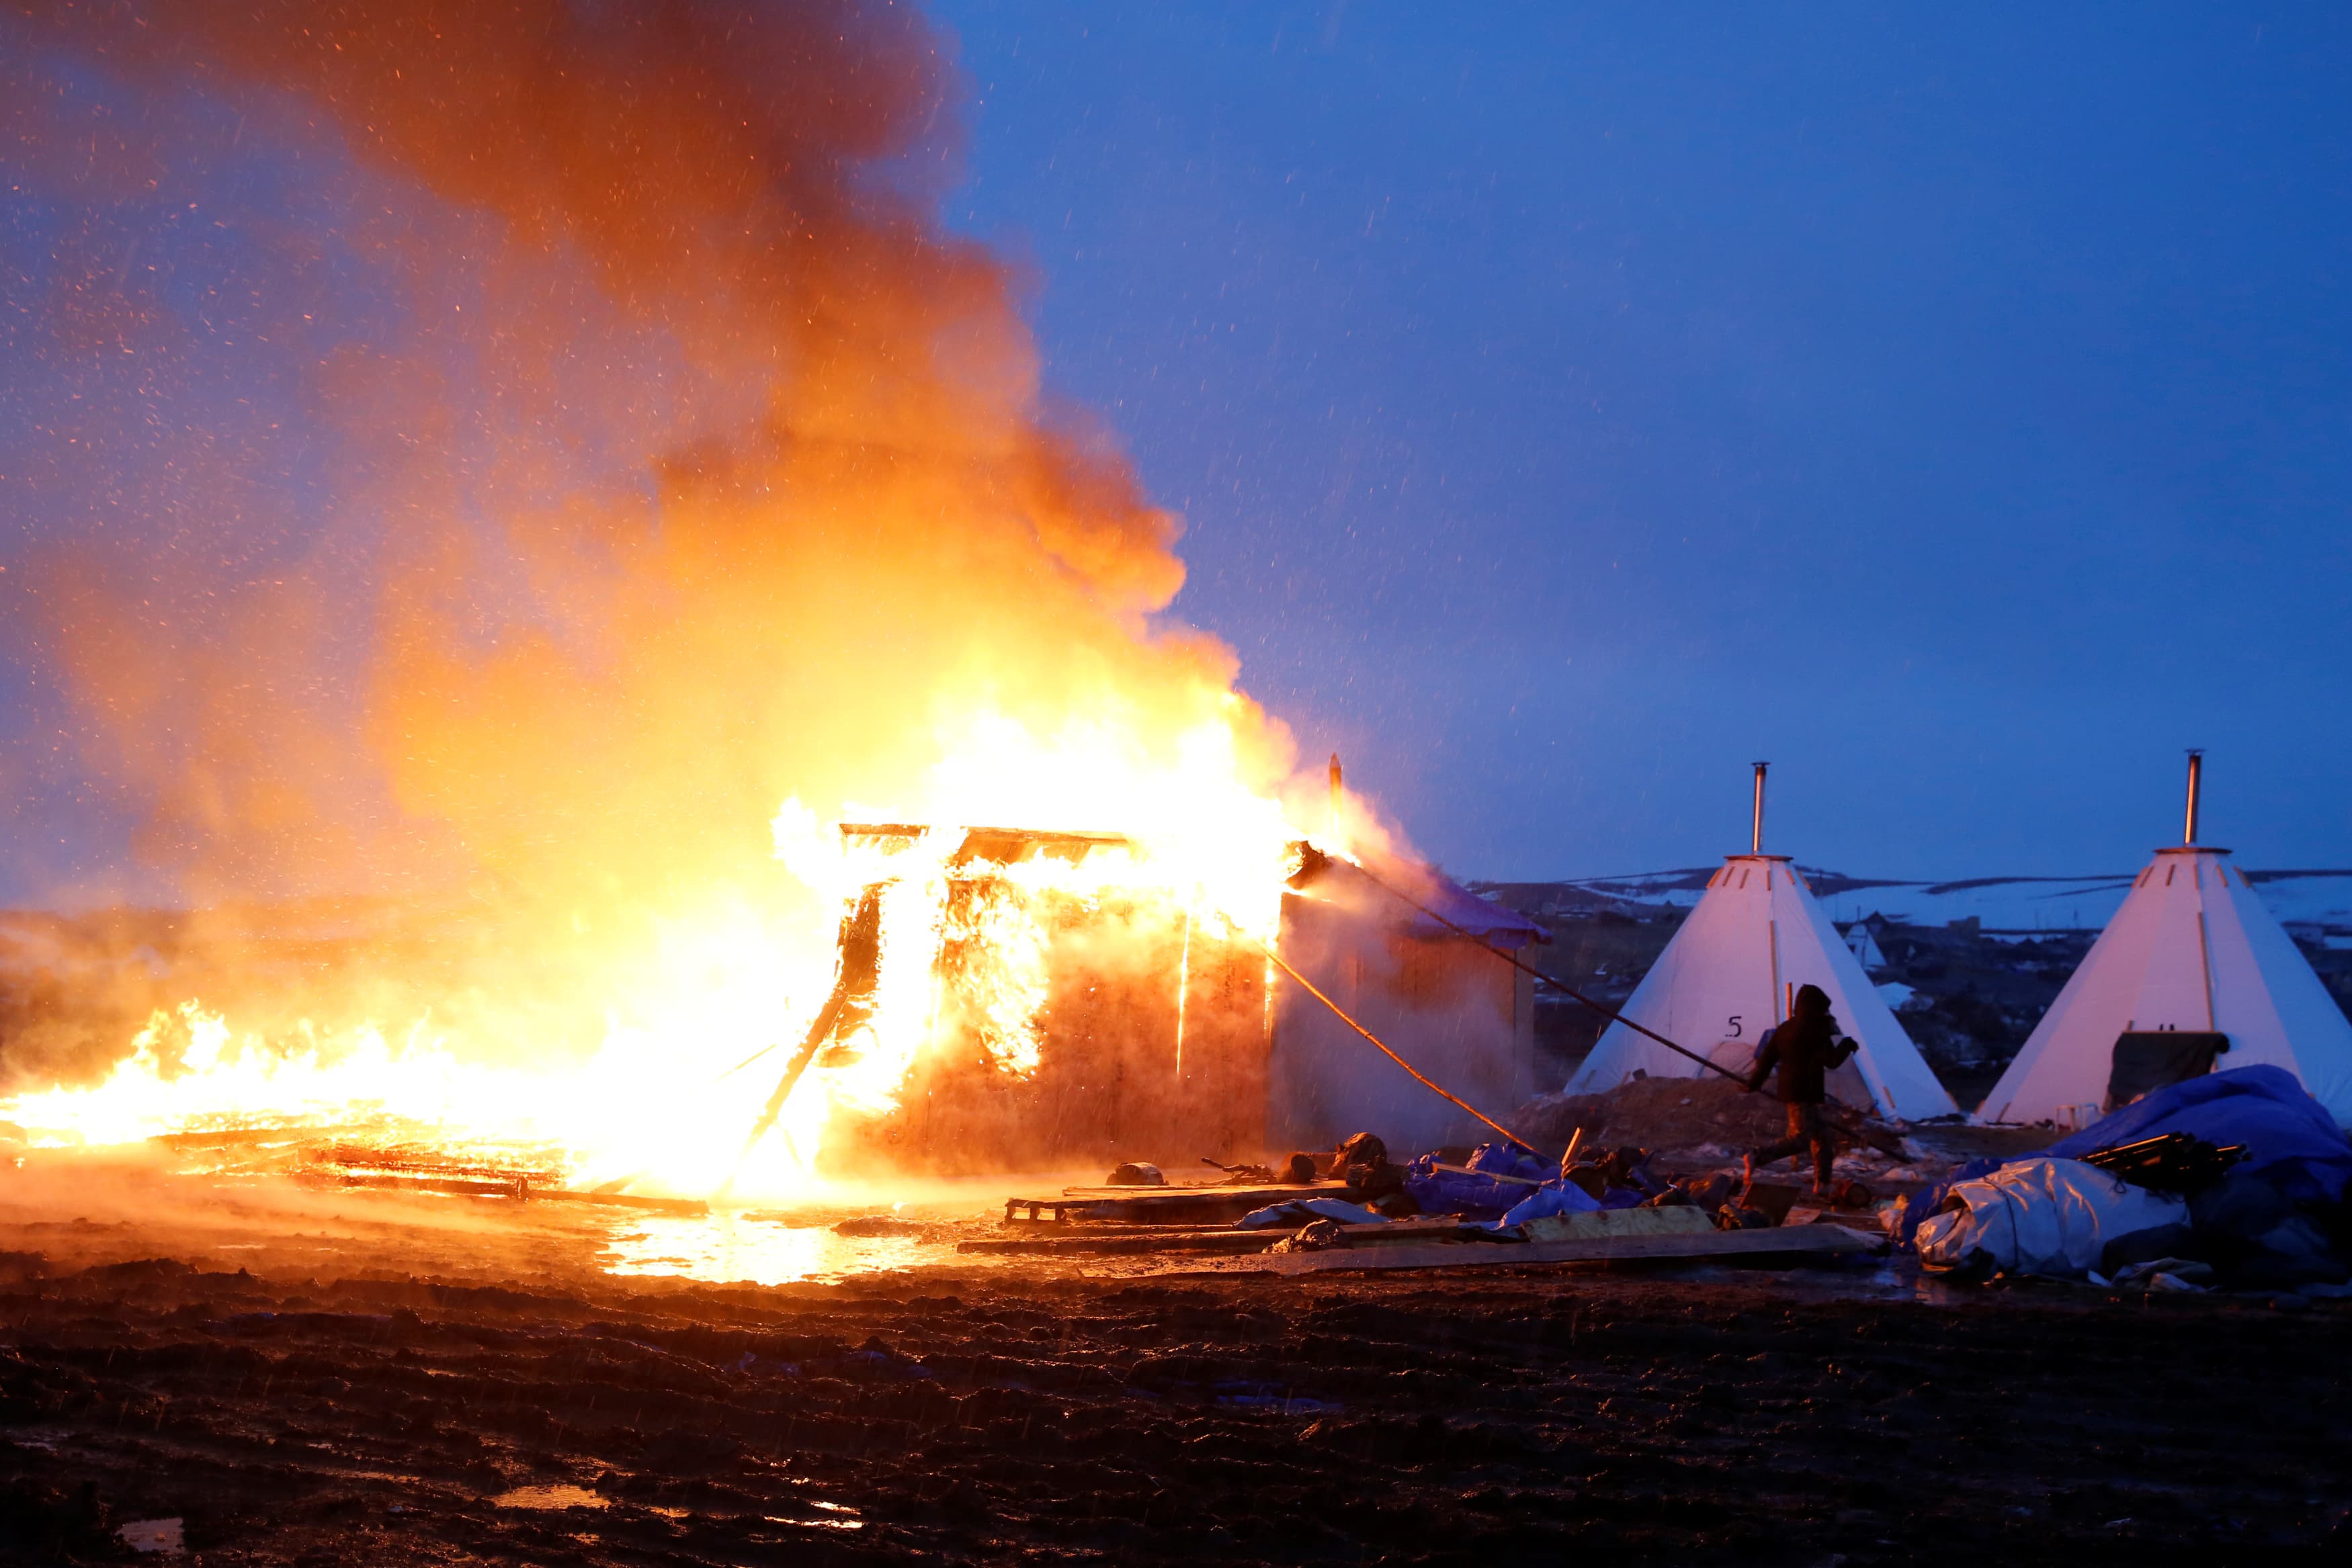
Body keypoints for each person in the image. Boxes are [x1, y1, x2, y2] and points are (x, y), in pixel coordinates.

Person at [1742, 983, 1859, 1195]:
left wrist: (1753, 1084)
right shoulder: (1817, 1030)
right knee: (1801, 1138)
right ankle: (1756, 1157)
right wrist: (1848, 1045)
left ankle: (1823, 1183)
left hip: (1791, 1090)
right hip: (1804, 1091)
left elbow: (1766, 1061)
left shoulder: (1785, 1028)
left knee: (1822, 1135)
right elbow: (1832, 1061)